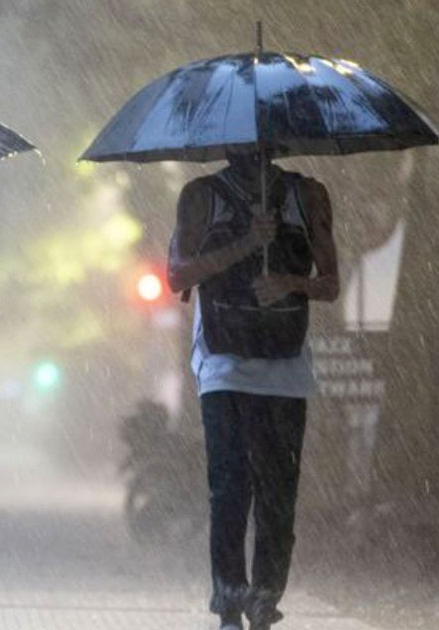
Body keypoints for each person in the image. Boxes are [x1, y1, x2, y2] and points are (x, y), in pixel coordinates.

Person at [167, 150, 339, 630]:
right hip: (223, 365)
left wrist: (287, 282)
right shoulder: (201, 197)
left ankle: (265, 596)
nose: (253, 149)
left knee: (278, 492)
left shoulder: (307, 196)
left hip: (285, 368)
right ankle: (228, 599)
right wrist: (246, 243)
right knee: (229, 487)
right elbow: (178, 275)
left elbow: (331, 283)